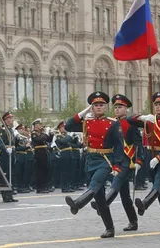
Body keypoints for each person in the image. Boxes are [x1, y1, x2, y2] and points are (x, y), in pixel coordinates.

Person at [64, 91, 124, 238]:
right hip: (91, 159)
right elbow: (68, 126)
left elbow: (119, 145)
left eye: (101, 105)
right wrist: (84, 112)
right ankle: (110, 228)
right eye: (95, 105)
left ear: (105, 107)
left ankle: (78, 203)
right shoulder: (87, 122)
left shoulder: (113, 123)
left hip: (105, 159)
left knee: (96, 183)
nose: (98, 107)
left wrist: (117, 165)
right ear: (92, 107)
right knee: (100, 198)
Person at [129, 92, 160, 233]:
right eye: (156, 104)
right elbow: (129, 120)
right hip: (150, 158)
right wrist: (142, 117)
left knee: (157, 185)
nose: (158, 107)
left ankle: (144, 204)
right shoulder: (149, 120)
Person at [91, 94, 143, 232]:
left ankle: (103, 203)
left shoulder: (131, 124)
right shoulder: (111, 123)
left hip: (128, 161)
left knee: (116, 183)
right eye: (116, 107)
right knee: (124, 195)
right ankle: (133, 221)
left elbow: (138, 144)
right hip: (116, 160)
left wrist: (139, 160)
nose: (117, 110)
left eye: (120, 107)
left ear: (126, 109)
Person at [0, 112, 18, 202]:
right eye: (10, 118)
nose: (11, 120)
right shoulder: (2, 130)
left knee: (11, 175)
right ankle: (5, 195)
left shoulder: (10, 129)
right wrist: (6, 148)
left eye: (12, 118)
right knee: (6, 174)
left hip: (11, 153)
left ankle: (10, 195)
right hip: (5, 154)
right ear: (5, 120)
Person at [31, 118, 53, 193]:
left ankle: (45, 186)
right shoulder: (34, 133)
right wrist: (45, 133)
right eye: (39, 124)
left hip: (44, 152)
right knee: (40, 171)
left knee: (45, 170)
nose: (40, 126)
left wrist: (51, 134)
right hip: (39, 153)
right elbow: (38, 140)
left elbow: (49, 140)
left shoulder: (42, 133)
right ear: (35, 126)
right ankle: (39, 187)